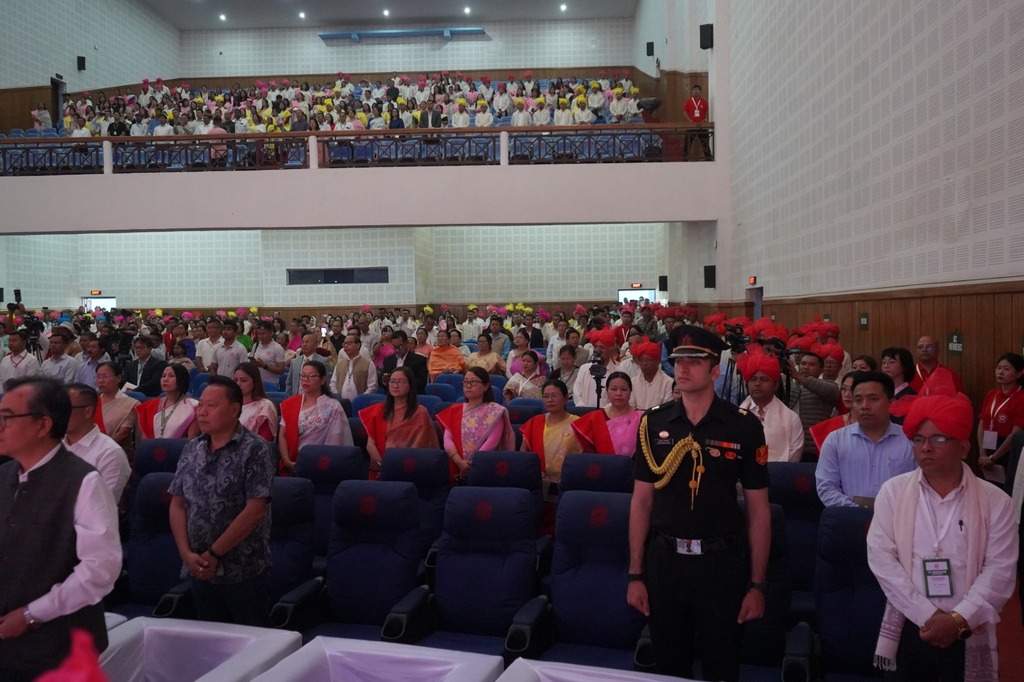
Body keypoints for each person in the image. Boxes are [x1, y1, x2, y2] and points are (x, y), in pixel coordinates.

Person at [627, 326, 770, 681]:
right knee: (669, 667)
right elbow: (641, 503)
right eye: (679, 361)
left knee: (721, 664)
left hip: (720, 565)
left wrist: (757, 585)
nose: (684, 368)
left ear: (715, 370)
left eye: (695, 361)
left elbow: (758, 510)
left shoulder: (743, 427)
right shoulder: (653, 422)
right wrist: (635, 574)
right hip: (666, 564)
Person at [867, 394, 1018, 681]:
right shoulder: (893, 492)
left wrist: (957, 620)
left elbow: (1000, 570)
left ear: (963, 447)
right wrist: (927, 614)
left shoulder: (995, 501)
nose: (925, 447)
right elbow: (881, 559)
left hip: (968, 627)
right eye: (918, 439)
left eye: (938, 438)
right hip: (911, 622)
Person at [0, 376, 121, 681]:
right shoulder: (4, 475)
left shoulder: (83, 481)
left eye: (8, 418)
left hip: (58, 649)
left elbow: (100, 570)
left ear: (43, 425)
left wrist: (31, 614)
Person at [168, 376, 275, 627]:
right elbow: (177, 503)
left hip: (242, 570)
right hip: (198, 567)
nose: (202, 412)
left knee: (251, 641)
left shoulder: (255, 449)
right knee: (209, 639)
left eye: (211, 406)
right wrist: (186, 554)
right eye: (200, 405)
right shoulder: (191, 449)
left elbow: (255, 509)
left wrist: (214, 553)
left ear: (234, 409)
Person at [815, 371, 916, 508]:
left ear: (891, 404)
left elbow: (921, 485)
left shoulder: (910, 440)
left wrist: (890, 513)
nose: (864, 406)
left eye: (873, 399)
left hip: (899, 516)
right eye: (858, 400)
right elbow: (826, 487)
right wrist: (857, 511)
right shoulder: (836, 440)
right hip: (850, 517)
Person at [436, 367, 515, 484]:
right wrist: (459, 462)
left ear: (486, 386)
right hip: (455, 464)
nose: (468, 386)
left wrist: (472, 463)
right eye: (465, 382)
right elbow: (447, 439)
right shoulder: (454, 410)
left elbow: (492, 442)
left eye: (473, 382)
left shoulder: (495, 411)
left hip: (483, 466)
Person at [359, 366, 439, 478]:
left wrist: (398, 466)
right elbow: (370, 444)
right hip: (380, 467)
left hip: (407, 467)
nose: (395, 386)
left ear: (410, 385)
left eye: (400, 382)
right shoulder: (379, 410)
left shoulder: (419, 412)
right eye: (392, 381)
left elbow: (419, 445)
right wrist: (383, 466)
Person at [278, 361, 352, 475]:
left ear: (322, 380)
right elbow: (283, 435)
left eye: (311, 376)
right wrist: (286, 460)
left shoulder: (333, 407)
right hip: (293, 461)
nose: (305, 380)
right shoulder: (290, 404)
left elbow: (335, 441)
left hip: (322, 463)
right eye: (303, 376)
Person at [63, 383, 131, 504]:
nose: (57, 415)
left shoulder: (110, 454)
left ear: (88, 412)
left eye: (64, 409)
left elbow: (100, 506)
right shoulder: (53, 445)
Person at [737, 347, 804, 462]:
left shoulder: (791, 419)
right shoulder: (735, 416)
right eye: (753, 379)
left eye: (764, 379)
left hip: (778, 473)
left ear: (776, 385)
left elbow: (792, 459)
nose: (757, 383)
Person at [976, 353, 1024, 490]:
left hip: (1008, 449)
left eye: (1006, 369)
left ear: (1019, 373)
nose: (1000, 372)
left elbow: (1016, 433)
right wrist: (983, 453)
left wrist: (993, 458)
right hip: (988, 445)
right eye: (998, 368)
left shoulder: (1021, 397)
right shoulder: (992, 394)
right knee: (988, 489)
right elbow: (982, 423)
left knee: (1006, 489)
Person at [571, 371, 643, 456]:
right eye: (614, 389)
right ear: (607, 391)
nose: (618, 394)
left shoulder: (642, 418)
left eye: (623, 389)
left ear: (630, 392)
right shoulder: (595, 418)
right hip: (601, 464)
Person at [787, 350, 841, 458]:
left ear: (821, 369)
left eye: (811, 364)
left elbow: (829, 390)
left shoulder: (830, 386)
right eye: (803, 364)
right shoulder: (790, 386)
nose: (806, 367)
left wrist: (798, 376)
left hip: (813, 449)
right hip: (789, 446)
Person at [135, 364, 200, 440]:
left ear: (181, 379)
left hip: (179, 447)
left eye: (171, 376)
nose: (165, 379)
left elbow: (191, 441)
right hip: (152, 446)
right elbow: (145, 441)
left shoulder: (193, 407)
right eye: (163, 376)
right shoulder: (150, 406)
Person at [93, 361, 138, 454]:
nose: (101, 380)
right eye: (98, 376)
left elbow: (123, 433)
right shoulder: (91, 401)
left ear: (118, 378)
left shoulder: (129, 404)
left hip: (113, 452)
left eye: (105, 376)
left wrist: (102, 449)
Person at [809, 371, 858, 452]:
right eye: (844, 389)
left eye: (853, 389)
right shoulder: (831, 426)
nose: (847, 394)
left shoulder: (876, 425)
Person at [573, 328, 621, 408]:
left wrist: (603, 412)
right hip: (585, 412)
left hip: (607, 413)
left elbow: (616, 397)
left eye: (602, 347)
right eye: (596, 347)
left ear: (610, 349)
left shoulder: (618, 372)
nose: (598, 350)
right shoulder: (584, 369)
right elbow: (577, 392)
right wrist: (584, 409)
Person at [233, 362, 278, 441]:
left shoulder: (265, 406)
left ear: (254, 382)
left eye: (243, 380)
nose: (238, 384)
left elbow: (264, 440)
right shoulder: (229, 403)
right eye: (235, 380)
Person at [628, 339, 675, 410]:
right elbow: (631, 406)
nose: (644, 363)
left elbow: (666, 409)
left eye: (649, 360)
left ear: (658, 361)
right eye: (641, 360)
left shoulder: (668, 383)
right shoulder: (633, 382)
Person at [330, 333, 378, 400]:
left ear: (358, 345)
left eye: (349, 343)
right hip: (341, 402)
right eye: (344, 344)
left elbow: (372, 386)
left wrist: (360, 400)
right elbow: (333, 383)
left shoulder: (368, 364)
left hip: (360, 402)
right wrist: (338, 397)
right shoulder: (339, 363)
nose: (346, 346)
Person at [287, 330, 328, 396]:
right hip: (296, 397)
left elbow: (327, 382)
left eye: (307, 342)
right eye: (302, 342)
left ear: (315, 345)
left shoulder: (322, 361)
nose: (304, 344)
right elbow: (289, 383)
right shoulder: (295, 362)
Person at [249, 321, 286, 387]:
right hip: (257, 383)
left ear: (271, 332)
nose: (260, 336)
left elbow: (281, 370)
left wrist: (264, 366)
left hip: (271, 384)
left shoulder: (277, 348)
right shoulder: (256, 345)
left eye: (263, 334)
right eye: (259, 334)